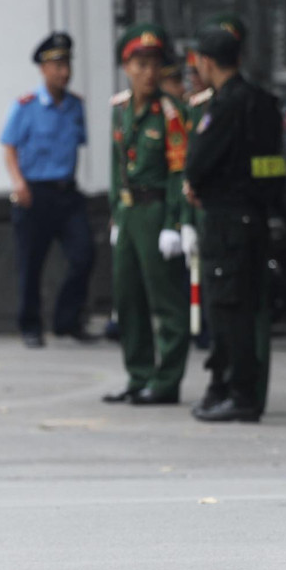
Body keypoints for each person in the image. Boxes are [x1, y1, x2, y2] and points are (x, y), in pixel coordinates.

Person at [183, 24, 280, 423]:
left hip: (226, 220)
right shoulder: (264, 102)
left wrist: (197, 185)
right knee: (248, 305)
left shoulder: (224, 106)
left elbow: (198, 162)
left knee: (229, 309)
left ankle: (238, 393)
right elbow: (273, 166)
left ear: (205, 63)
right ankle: (233, 387)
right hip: (255, 216)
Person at [103, 23, 191, 406]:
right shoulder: (120, 110)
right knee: (128, 298)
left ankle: (167, 380)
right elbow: (115, 167)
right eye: (140, 63)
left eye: (154, 64)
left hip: (157, 212)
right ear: (126, 66)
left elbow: (179, 173)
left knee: (167, 301)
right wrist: (114, 217)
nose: (148, 72)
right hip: (128, 213)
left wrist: (175, 223)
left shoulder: (172, 113)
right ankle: (138, 375)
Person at [0, 31, 95, 348]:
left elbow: (76, 146)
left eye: (67, 64)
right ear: (43, 69)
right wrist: (18, 183)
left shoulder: (75, 107)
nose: (64, 72)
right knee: (31, 264)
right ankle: (30, 326)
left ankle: (67, 320)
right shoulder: (26, 106)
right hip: (34, 194)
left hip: (66, 193)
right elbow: (9, 147)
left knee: (84, 255)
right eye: (57, 65)